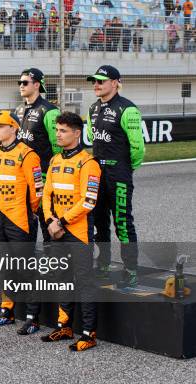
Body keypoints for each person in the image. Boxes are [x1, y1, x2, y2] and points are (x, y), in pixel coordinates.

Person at [41, 111, 101, 352]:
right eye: (57, 130)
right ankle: (64, 326)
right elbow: (46, 194)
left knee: (84, 282)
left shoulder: (89, 163)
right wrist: (49, 221)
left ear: (77, 133)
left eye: (63, 130)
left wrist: (61, 222)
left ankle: (89, 333)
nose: (58, 134)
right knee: (61, 280)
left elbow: (89, 202)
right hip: (57, 230)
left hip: (78, 232)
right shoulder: (55, 160)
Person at [0, 111, 43, 334]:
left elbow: (37, 189)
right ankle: (6, 311)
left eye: (1, 126)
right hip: (0, 216)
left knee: (25, 268)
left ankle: (32, 317)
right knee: (3, 267)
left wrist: (30, 212)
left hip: (20, 218)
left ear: (13, 128)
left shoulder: (27, 154)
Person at [86, 65, 144, 287]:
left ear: (115, 82)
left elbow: (138, 149)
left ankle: (130, 270)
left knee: (122, 223)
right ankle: (103, 265)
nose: (96, 85)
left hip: (118, 174)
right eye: (95, 81)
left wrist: (125, 169)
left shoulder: (128, 109)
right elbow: (92, 138)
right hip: (97, 174)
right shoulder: (92, 108)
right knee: (99, 223)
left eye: (101, 80)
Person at [14, 68, 61, 245]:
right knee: (25, 219)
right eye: (20, 82)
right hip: (22, 176)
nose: (21, 86)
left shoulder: (49, 111)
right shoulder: (18, 110)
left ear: (37, 85)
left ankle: (55, 260)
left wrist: (53, 173)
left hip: (42, 175)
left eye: (25, 82)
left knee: (46, 219)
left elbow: (58, 147)